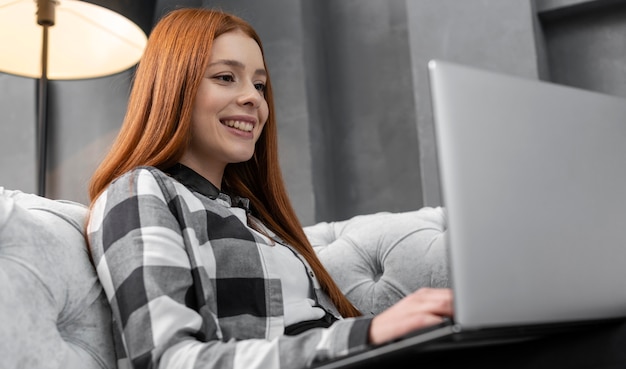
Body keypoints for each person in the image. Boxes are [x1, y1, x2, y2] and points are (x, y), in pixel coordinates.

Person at [86, 7, 453, 369]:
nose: (254, 99)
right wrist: (366, 335)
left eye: (259, 84)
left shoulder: (254, 217)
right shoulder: (140, 191)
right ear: (173, 85)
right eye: (227, 77)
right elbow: (168, 360)